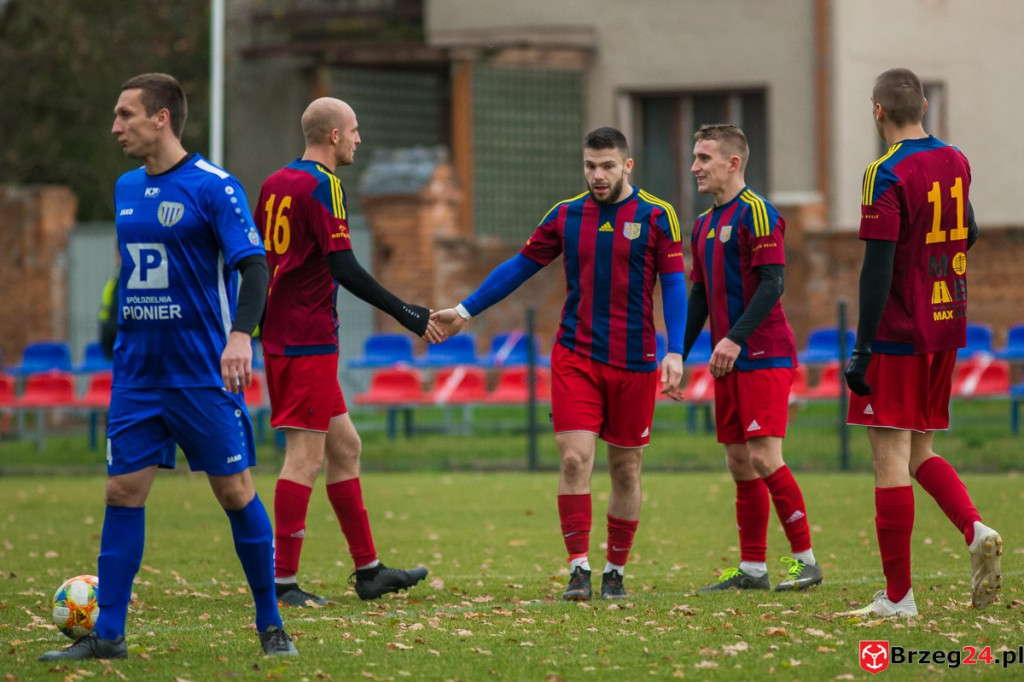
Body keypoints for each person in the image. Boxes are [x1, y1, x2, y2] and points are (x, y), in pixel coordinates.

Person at [40, 73, 296, 661]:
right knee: (122, 490)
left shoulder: (215, 187)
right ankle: (108, 636)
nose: (115, 127)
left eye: (125, 114)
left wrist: (241, 336)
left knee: (234, 491)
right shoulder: (126, 187)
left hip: (200, 372)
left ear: (161, 118)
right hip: (138, 373)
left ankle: (271, 623)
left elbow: (254, 268)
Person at [432, 127, 688, 601]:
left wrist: (675, 350)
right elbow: (518, 266)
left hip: (635, 360)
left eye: (607, 165)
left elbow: (673, 284)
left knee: (627, 470)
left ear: (627, 166)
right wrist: (465, 310)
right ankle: (579, 570)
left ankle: (615, 571)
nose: (597, 174)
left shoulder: (657, 216)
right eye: (590, 165)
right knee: (574, 460)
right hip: (577, 356)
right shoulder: (566, 215)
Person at [256, 97, 441, 607]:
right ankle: (284, 583)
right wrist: (409, 314)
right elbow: (345, 268)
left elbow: (259, 260)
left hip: (286, 336)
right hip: (305, 339)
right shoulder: (325, 185)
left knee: (346, 447)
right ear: (334, 136)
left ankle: (369, 571)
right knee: (304, 459)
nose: (359, 139)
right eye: (355, 131)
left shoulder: (275, 182)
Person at [842, 67, 1000, 617]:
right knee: (920, 452)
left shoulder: (884, 172)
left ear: (877, 111)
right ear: (926, 106)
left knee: (889, 461)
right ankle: (975, 527)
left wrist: (861, 348)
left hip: (898, 333)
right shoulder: (955, 159)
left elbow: (876, 267)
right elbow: (970, 230)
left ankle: (898, 597)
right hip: (945, 323)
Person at [679, 124, 822, 594]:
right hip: (729, 360)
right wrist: (677, 354)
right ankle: (753, 569)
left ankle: (806, 561)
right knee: (739, 461)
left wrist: (735, 339)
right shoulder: (701, 224)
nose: (695, 166)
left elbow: (773, 284)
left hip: (763, 354)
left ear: (733, 162)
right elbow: (698, 296)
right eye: (695, 157)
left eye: (704, 157)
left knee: (764, 457)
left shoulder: (758, 214)